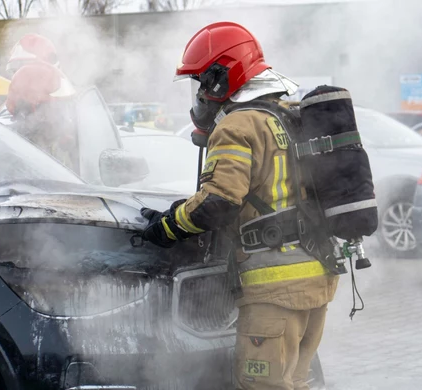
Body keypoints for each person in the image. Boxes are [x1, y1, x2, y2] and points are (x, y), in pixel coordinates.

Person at [140, 22, 338, 390]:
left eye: (202, 81)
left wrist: (167, 226)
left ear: (221, 78)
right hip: (317, 280)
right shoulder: (288, 114)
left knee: (261, 385)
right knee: (295, 383)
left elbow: (219, 203)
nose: (200, 93)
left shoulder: (238, 125)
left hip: (274, 293)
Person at [4, 63, 79, 172]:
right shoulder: (19, 154)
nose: (65, 116)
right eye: (59, 106)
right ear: (35, 107)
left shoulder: (53, 139)